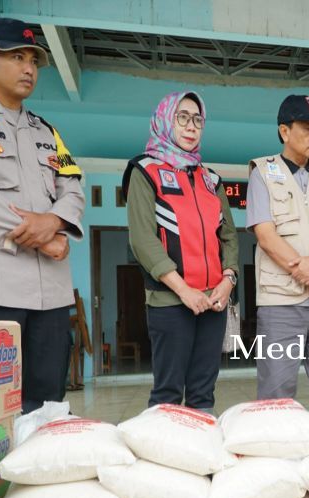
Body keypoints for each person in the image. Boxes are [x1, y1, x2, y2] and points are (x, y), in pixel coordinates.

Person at [0, 18, 84, 414]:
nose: (29, 69)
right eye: (17, 57)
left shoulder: (47, 131)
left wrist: (52, 224)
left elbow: (72, 185)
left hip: (51, 295)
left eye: (33, 61)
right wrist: (38, 235)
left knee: (47, 407)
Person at [124, 90, 239, 414]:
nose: (191, 126)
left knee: (204, 393)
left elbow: (229, 236)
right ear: (165, 119)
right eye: (182, 117)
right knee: (168, 394)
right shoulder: (144, 171)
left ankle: (200, 462)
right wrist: (185, 290)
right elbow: (143, 240)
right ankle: (165, 462)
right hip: (170, 301)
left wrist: (228, 280)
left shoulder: (210, 179)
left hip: (213, 302)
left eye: (198, 120)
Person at [246, 95, 309, 431]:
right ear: (284, 131)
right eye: (307, 127)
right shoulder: (262, 173)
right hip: (280, 303)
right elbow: (266, 236)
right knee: (277, 391)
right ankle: (278, 468)